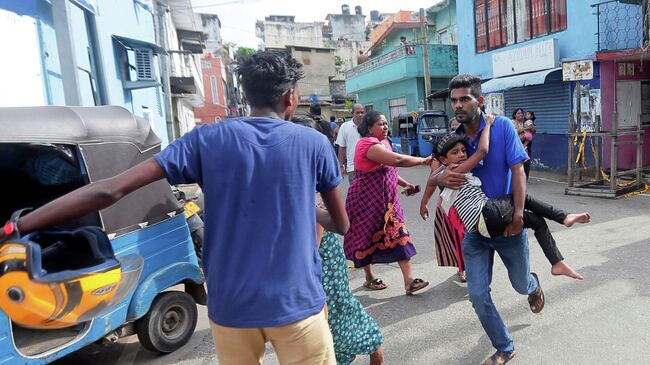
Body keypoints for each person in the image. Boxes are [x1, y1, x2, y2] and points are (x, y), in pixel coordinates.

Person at [0, 51, 350, 365]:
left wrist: (20, 225)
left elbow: (110, 190)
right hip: (296, 302)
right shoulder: (314, 144)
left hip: (230, 304)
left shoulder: (206, 139)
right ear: (290, 97)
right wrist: (307, 208)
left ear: (246, 95)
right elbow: (341, 225)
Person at [427, 74, 542, 365]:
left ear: (479, 100)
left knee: (519, 284)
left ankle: (532, 284)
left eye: (464, 98)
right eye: (454, 100)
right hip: (474, 231)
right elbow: (438, 172)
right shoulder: (454, 135)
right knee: (478, 295)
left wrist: (518, 215)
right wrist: (442, 177)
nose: (458, 105)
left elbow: (518, 171)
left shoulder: (501, 126)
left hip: (505, 224)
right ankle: (505, 346)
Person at [422, 121, 590, 282]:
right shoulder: (456, 171)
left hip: (483, 225)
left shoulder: (443, 174)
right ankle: (564, 217)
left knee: (537, 222)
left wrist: (424, 203)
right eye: (455, 152)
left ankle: (556, 262)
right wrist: (487, 125)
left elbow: (430, 181)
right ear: (444, 160)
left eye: (462, 151)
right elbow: (482, 151)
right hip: (485, 214)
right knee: (522, 197)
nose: (461, 155)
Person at [292, 115, 384, 365]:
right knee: (334, 314)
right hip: (320, 260)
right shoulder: (307, 175)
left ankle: (373, 346)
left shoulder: (309, 181)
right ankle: (369, 347)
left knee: (333, 313)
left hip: (320, 261)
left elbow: (316, 236)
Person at [344, 111, 432, 295]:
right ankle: (369, 277)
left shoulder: (384, 143)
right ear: (369, 128)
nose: (385, 127)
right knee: (365, 237)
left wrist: (404, 183)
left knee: (400, 234)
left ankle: (409, 282)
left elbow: (388, 167)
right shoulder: (366, 144)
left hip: (388, 202)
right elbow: (397, 159)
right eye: (380, 124)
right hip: (365, 201)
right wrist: (424, 160)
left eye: (386, 124)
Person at [336, 104, 364, 183]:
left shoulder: (369, 126)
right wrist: (341, 165)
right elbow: (342, 147)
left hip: (369, 167)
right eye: (357, 113)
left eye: (362, 112)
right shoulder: (345, 127)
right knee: (355, 193)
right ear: (352, 113)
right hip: (353, 168)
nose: (360, 115)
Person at [511, 108, 535, 180]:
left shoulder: (526, 121)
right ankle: (516, 178)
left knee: (526, 161)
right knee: (517, 161)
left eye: (521, 113)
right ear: (515, 115)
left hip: (526, 143)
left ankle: (525, 178)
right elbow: (512, 133)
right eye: (518, 113)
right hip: (516, 143)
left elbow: (533, 130)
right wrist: (520, 130)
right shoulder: (511, 122)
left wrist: (532, 128)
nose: (521, 114)